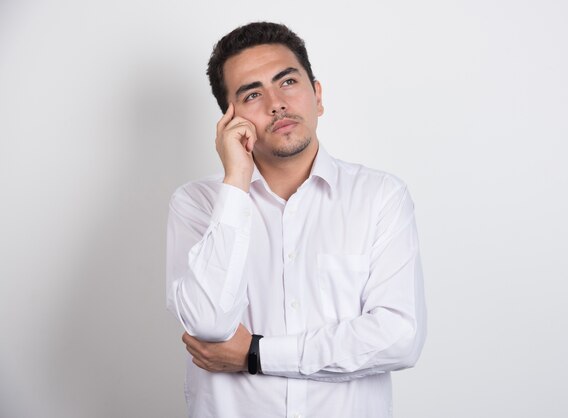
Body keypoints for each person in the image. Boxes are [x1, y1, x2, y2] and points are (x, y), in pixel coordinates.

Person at [166, 21, 426, 418]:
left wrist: (255, 354)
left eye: (287, 82)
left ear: (317, 96)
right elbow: (209, 325)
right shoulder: (198, 203)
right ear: (229, 120)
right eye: (252, 94)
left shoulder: (380, 197)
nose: (276, 103)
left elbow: (398, 338)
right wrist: (235, 181)